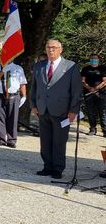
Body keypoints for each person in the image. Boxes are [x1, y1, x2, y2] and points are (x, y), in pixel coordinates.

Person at [30, 39, 83, 179]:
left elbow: (76, 91)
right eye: (48, 47)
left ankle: (58, 169)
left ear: (61, 49)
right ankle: (47, 166)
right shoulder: (39, 66)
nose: (50, 50)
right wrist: (33, 105)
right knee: (45, 141)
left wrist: (73, 110)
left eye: (54, 47)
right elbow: (34, 88)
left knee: (59, 141)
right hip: (43, 109)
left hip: (62, 111)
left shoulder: (71, 66)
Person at [0, 58, 27, 147]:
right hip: (0, 95)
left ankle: (11, 140)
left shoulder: (18, 68)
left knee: (13, 118)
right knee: (0, 117)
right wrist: (3, 71)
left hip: (14, 95)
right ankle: (1, 140)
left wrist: (24, 96)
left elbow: (22, 83)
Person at [80, 54, 106, 136]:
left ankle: (104, 130)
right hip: (88, 93)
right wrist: (89, 88)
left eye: (95, 59)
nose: (93, 60)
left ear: (98, 60)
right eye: (92, 59)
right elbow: (83, 81)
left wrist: (96, 88)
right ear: (89, 59)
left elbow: (105, 81)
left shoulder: (103, 68)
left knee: (102, 112)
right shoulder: (85, 69)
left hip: (101, 94)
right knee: (91, 112)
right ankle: (92, 129)